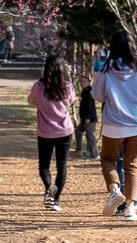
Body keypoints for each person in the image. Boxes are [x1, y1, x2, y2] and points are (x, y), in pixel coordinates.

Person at [92, 30, 137, 222]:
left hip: (114, 123)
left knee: (108, 160)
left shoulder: (106, 69)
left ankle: (114, 190)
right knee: (132, 164)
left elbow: (97, 95)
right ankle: (130, 208)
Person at [27, 55, 76, 212]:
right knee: (62, 165)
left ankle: (49, 186)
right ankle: (56, 201)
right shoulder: (67, 86)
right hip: (65, 130)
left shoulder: (39, 87)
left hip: (45, 132)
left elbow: (31, 100)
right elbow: (70, 101)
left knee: (44, 166)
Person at [74, 75, 98, 158]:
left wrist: (88, 117)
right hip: (84, 119)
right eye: (81, 81)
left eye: (84, 81)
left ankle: (95, 154)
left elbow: (90, 106)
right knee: (78, 131)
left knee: (90, 136)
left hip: (89, 119)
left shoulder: (90, 92)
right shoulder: (85, 91)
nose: (82, 83)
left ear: (88, 82)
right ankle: (79, 150)